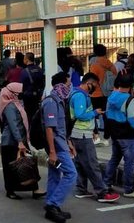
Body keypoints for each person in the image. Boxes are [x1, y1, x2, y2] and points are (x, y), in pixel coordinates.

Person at [69, 73, 120, 203]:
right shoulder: (80, 96)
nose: (95, 88)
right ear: (88, 83)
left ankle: (81, 189)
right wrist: (94, 113)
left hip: (77, 133)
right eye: (95, 85)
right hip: (82, 133)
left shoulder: (76, 93)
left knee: (80, 163)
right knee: (92, 164)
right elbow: (80, 115)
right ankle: (102, 192)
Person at [0, 82, 46, 200]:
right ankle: (10, 190)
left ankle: (35, 189)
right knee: (12, 167)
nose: (21, 94)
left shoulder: (16, 103)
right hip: (11, 141)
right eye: (19, 93)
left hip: (20, 139)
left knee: (29, 164)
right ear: (12, 93)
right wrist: (20, 142)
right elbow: (13, 125)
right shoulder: (9, 106)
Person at [42, 72, 77, 223]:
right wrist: (52, 152)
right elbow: (49, 129)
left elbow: (61, 127)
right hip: (56, 146)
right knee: (71, 174)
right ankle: (53, 204)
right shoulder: (51, 101)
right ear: (60, 85)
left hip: (61, 144)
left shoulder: (60, 100)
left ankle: (51, 204)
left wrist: (69, 143)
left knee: (55, 174)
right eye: (68, 85)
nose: (70, 88)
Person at [104, 72, 134, 198]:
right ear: (130, 86)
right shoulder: (130, 100)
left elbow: (107, 115)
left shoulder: (111, 97)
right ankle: (128, 189)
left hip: (115, 134)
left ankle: (106, 183)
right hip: (128, 136)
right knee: (129, 162)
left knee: (114, 159)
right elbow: (132, 121)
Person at [89, 44, 117, 146]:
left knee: (93, 115)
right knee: (106, 115)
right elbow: (115, 75)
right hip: (107, 93)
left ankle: (96, 136)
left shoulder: (94, 65)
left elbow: (91, 80)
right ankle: (107, 137)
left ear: (95, 52)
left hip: (95, 94)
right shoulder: (109, 64)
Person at [20, 52, 45, 119]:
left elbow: (21, 84)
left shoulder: (24, 71)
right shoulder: (40, 70)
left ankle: (30, 128)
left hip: (28, 96)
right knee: (38, 113)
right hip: (39, 95)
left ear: (26, 59)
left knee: (29, 114)